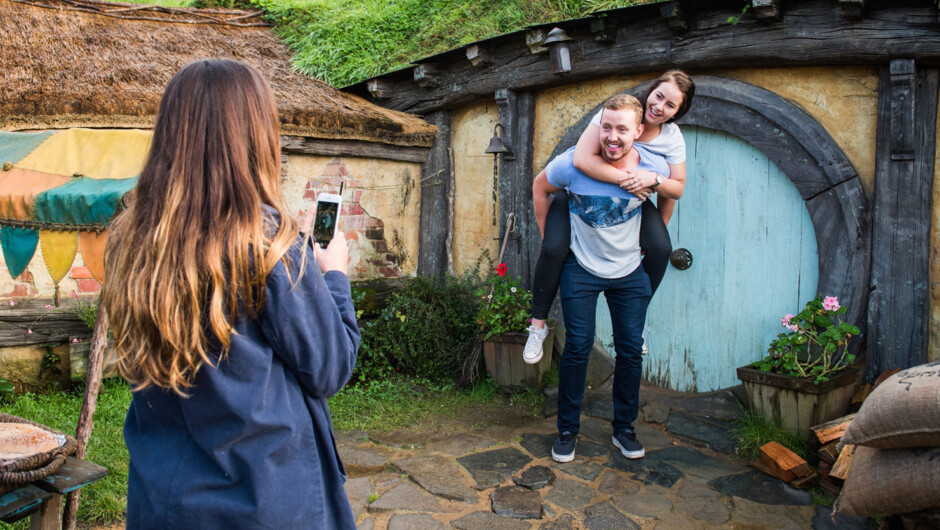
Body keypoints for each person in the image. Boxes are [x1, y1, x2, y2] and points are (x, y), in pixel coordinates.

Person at [100, 59, 360, 529]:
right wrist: (335, 276)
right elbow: (330, 366)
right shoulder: (268, 242)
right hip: (266, 501)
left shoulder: (133, 239)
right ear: (256, 135)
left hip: (166, 503)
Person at [532, 94, 669, 462]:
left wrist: (654, 238)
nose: (612, 137)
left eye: (622, 129)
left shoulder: (651, 167)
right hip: (582, 269)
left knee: (629, 352)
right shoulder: (572, 165)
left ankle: (623, 430)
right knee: (577, 347)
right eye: (606, 127)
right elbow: (540, 187)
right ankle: (567, 431)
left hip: (628, 271)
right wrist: (550, 239)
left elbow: (669, 197)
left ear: (638, 131)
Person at [523, 70, 695, 364]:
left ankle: (635, 321)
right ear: (650, 91)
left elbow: (673, 190)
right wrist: (626, 180)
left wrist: (651, 189)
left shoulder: (671, 138)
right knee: (553, 249)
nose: (660, 106)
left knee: (661, 249)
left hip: (635, 197)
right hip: (583, 191)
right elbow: (581, 159)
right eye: (659, 96)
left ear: (678, 112)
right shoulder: (618, 114)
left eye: (671, 105)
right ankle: (537, 325)